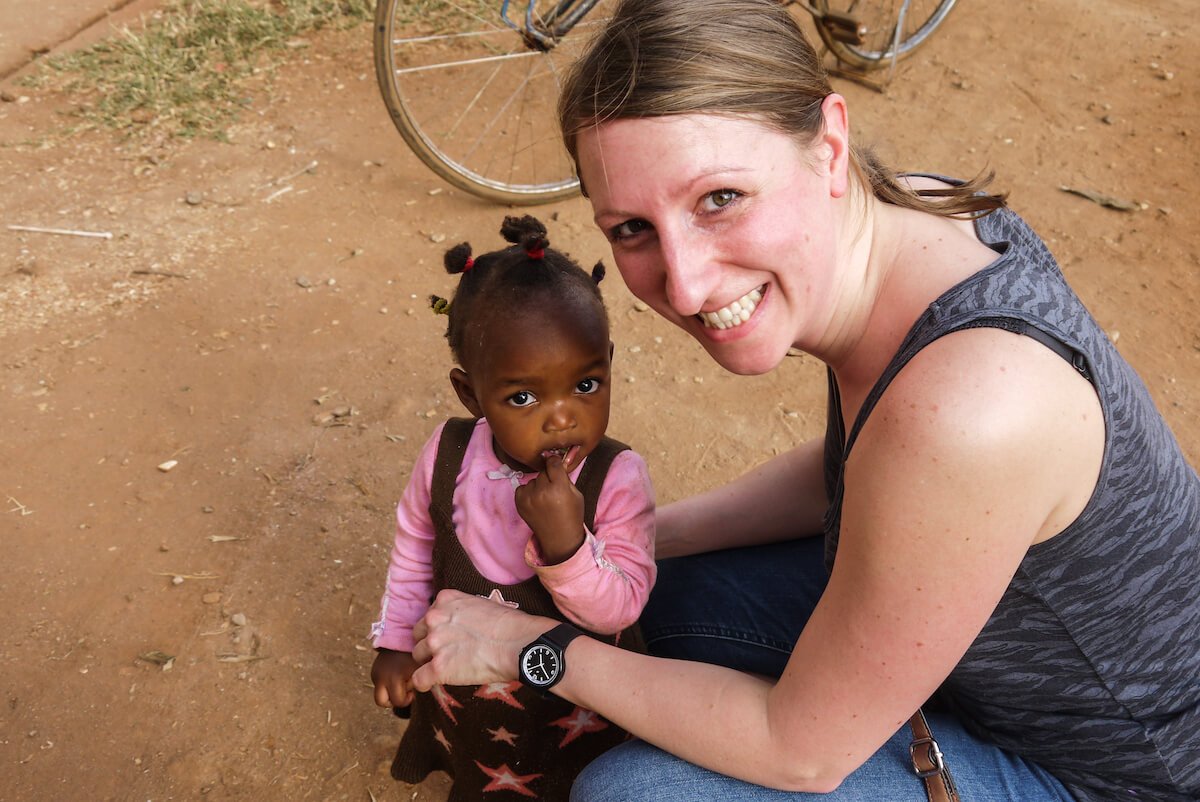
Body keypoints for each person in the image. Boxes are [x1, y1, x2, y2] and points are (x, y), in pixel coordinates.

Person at [406, 1, 1200, 800]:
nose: (685, 284)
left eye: (720, 198)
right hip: (990, 657)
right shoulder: (922, 218)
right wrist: (635, 536)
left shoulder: (969, 407)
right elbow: (867, 464)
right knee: (643, 601)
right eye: (632, 228)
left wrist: (528, 649)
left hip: (1107, 775)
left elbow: (801, 752)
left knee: (634, 791)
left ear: (829, 143)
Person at [368, 215, 656, 801]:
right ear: (471, 394)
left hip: (573, 711)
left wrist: (568, 545)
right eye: (523, 396)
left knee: (570, 782)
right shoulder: (450, 454)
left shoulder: (615, 477)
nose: (561, 416)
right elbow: (416, 546)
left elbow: (620, 609)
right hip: (465, 699)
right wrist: (396, 638)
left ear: (609, 363)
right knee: (480, 776)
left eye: (586, 384)